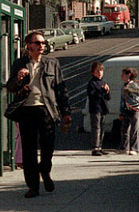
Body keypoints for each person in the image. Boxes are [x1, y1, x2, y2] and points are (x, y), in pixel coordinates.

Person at [6, 30, 72, 198]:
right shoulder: (20, 63)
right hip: (27, 110)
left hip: (46, 109)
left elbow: (60, 89)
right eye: (37, 43)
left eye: (43, 43)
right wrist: (19, 79)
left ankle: (45, 171)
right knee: (28, 151)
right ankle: (33, 186)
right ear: (29, 45)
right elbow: (10, 87)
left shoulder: (52, 63)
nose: (41, 46)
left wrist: (66, 113)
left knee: (48, 147)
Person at [87, 61, 111, 156]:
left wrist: (107, 91)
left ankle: (100, 146)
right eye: (98, 71)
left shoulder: (103, 82)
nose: (100, 73)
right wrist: (101, 90)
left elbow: (108, 98)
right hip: (95, 108)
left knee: (102, 128)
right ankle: (95, 148)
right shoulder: (92, 83)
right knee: (96, 128)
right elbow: (92, 95)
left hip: (103, 108)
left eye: (101, 71)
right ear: (93, 72)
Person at [120, 67, 139, 155]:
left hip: (134, 109)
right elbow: (122, 100)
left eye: (123, 74)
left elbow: (138, 96)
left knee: (134, 129)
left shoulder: (133, 85)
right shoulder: (124, 85)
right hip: (126, 109)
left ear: (128, 75)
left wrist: (129, 91)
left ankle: (134, 148)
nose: (121, 76)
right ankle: (124, 148)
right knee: (124, 129)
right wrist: (121, 111)